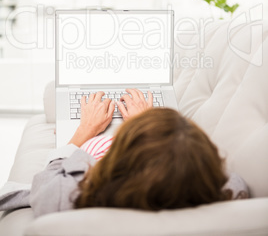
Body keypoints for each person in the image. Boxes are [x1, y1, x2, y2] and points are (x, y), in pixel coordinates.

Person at [29, 89, 248, 217]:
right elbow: (225, 177)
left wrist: (84, 132)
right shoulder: (232, 192)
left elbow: (48, 180)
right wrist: (148, 127)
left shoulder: (63, 196)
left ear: (119, 163)